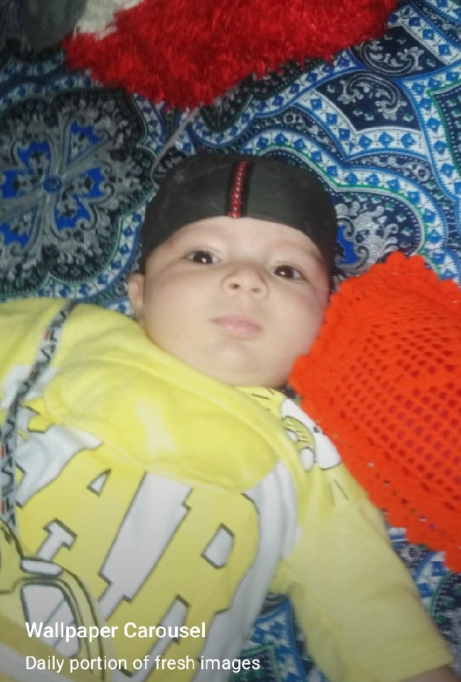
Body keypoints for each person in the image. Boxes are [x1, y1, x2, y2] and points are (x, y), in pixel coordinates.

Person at [0, 153, 457, 682]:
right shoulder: (61, 331)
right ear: (139, 294)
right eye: (202, 257)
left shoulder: (310, 462)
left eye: (286, 271)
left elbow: (373, 620)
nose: (246, 279)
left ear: (322, 316)